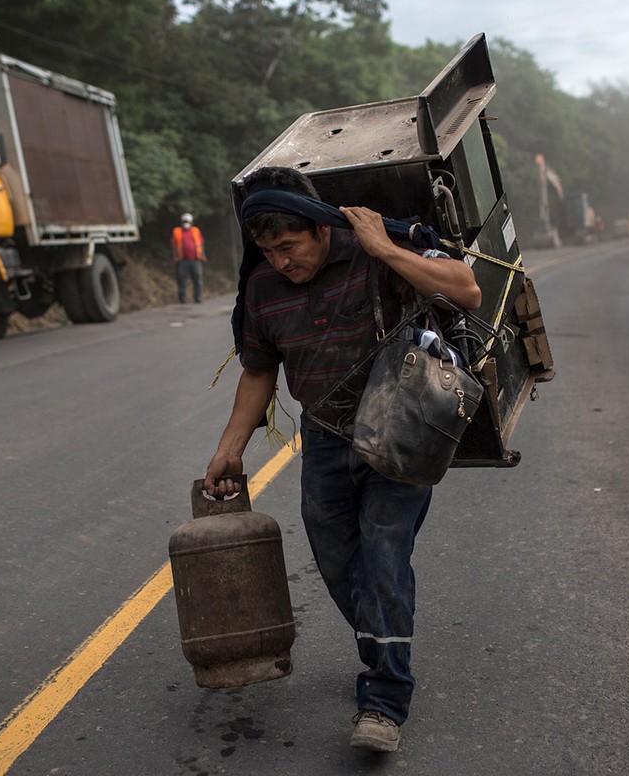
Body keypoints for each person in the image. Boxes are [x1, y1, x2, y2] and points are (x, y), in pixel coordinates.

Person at [203, 166, 481, 753]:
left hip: (400, 428)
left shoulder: (376, 248)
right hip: (326, 436)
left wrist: (383, 246)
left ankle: (383, 701)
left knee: (383, 552)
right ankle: (386, 643)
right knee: (338, 562)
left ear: (322, 229)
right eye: (267, 250)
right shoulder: (262, 289)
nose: (280, 261)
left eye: (289, 246)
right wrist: (229, 449)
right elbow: (258, 371)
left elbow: (465, 289)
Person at [172, 212, 205, 303]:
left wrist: (203, 255)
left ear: (191, 222)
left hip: (195, 260)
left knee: (197, 279)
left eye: (188, 221)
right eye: (184, 221)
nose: (186, 223)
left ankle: (197, 297)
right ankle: (182, 298)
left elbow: (201, 243)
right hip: (182, 260)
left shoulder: (196, 230)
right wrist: (175, 256)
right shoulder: (177, 231)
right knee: (181, 279)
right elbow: (174, 245)